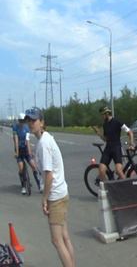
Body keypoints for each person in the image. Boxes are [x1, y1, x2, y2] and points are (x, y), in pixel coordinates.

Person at [24, 107, 75, 267]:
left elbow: (49, 176)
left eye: (34, 120)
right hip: (62, 193)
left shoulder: (44, 143)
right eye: (29, 121)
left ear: (42, 122)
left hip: (55, 197)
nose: (31, 123)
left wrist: (44, 199)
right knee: (64, 237)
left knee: (57, 240)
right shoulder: (45, 139)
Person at [91, 106, 134, 180]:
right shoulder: (105, 124)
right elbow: (105, 139)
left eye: (102, 115)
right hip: (108, 149)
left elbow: (130, 132)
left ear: (107, 114)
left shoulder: (117, 122)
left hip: (116, 147)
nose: (102, 117)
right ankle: (108, 189)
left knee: (119, 171)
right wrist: (98, 133)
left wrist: (131, 144)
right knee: (101, 170)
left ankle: (128, 188)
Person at [13, 113, 42, 194]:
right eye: (21, 121)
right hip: (19, 149)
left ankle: (40, 185)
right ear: (18, 121)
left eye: (23, 121)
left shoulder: (26, 128)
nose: (22, 123)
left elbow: (27, 141)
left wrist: (30, 152)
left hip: (25, 149)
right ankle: (23, 187)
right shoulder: (15, 127)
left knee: (33, 166)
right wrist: (17, 153)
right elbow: (16, 140)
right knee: (21, 168)